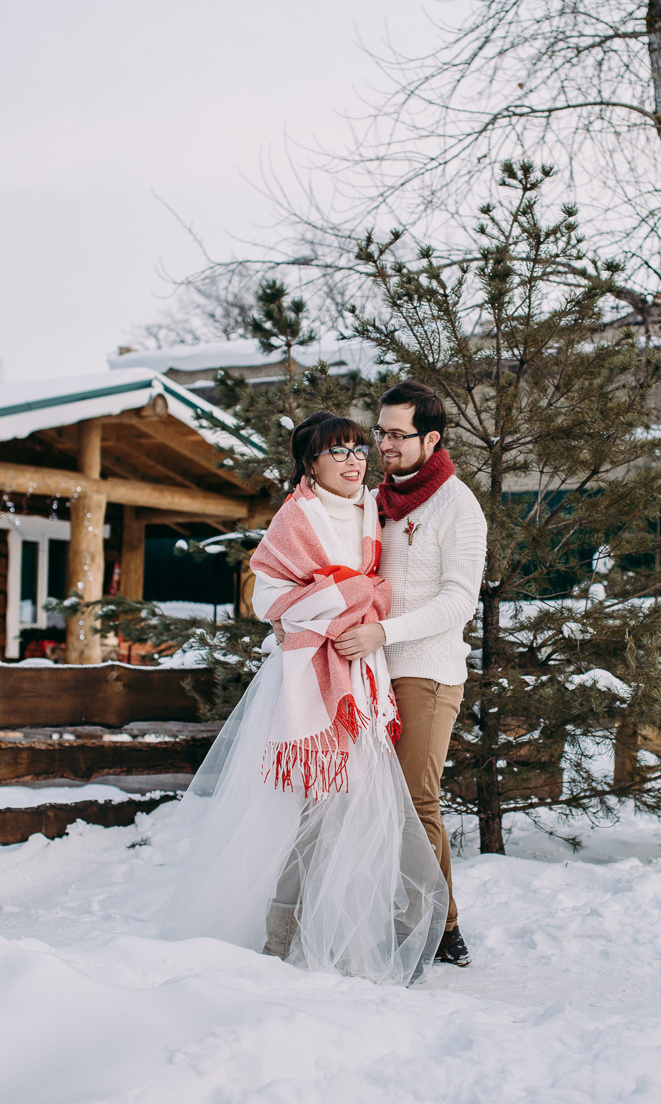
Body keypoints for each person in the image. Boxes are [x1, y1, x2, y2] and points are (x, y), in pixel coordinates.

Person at [159, 411, 447, 987]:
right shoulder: (298, 516)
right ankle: (279, 937)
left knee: (364, 810)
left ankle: (371, 930)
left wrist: (356, 598)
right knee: (311, 813)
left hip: (360, 677)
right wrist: (347, 594)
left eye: (358, 448)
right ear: (309, 464)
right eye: (337, 452)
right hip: (309, 683)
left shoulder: (372, 509)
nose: (353, 460)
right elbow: (272, 597)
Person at [332, 381, 487, 967]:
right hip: (367, 670)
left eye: (398, 435)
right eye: (381, 432)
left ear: (431, 438)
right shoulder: (374, 502)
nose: (384, 444)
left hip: (427, 670)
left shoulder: (456, 505)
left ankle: (439, 927)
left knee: (416, 800)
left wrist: (385, 633)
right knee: (365, 801)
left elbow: (458, 600)